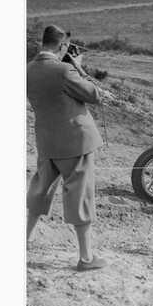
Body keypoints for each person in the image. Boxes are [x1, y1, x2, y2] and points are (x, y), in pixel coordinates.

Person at [26, 25, 106, 272]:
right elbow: (95, 94)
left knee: (40, 192)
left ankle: (24, 239)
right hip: (75, 142)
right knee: (80, 196)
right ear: (61, 46)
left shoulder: (26, 70)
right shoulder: (65, 70)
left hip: (47, 141)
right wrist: (78, 66)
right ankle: (86, 258)